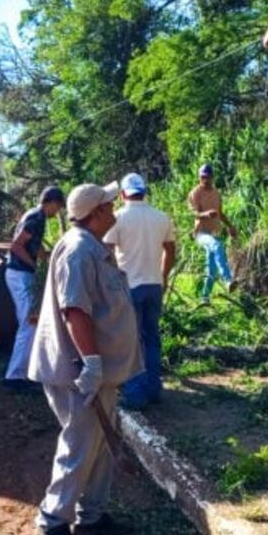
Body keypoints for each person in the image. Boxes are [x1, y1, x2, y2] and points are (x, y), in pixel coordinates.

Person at [28, 182, 143, 535]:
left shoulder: (92, 246)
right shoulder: (78, 251)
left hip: (98, 371)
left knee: (99, 447)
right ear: (95, 214)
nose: (113, 209)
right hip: (78, 372)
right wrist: (91, 363)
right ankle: (53, 520)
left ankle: (91, 516)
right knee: (80, 446)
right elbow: (75, 311)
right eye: (108, 205)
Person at [103, 172, 176, 409]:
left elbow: (106, 250)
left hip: (129, 286)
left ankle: (135, 394)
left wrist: (111, 278)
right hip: (154, 285)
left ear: (123, 194)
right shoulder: (161, 217)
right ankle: (153, 388)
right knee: (151, 337)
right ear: (144, 192)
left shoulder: (118, 218)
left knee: (131, 341)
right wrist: (163, 276)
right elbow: (170, 249)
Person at [3, 186, 66, 390]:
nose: (57, 211)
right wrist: (34, 266)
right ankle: (15, 377)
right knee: (29, 324)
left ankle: (25, 372)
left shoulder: (36, 215)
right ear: (51, 202)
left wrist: (45, 258)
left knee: (31, 322)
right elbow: (16, 246)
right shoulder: (36, 217)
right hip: (20, 274)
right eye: (58, 207)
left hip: (20, 274)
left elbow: (34, 243)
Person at [188, 163, 237, 304]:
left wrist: (230, 226)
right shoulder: (195, 193)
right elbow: (194, 213)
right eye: (202, 177)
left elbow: (220, 213)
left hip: (214, 233)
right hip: (201, 234)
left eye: (207, 177)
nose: (205, 180)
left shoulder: (216, 193)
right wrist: (206, 214)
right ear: (199, 177)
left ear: (212, 177)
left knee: (211, 271)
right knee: (217, 246)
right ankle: (228, 280)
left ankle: (204, 298)